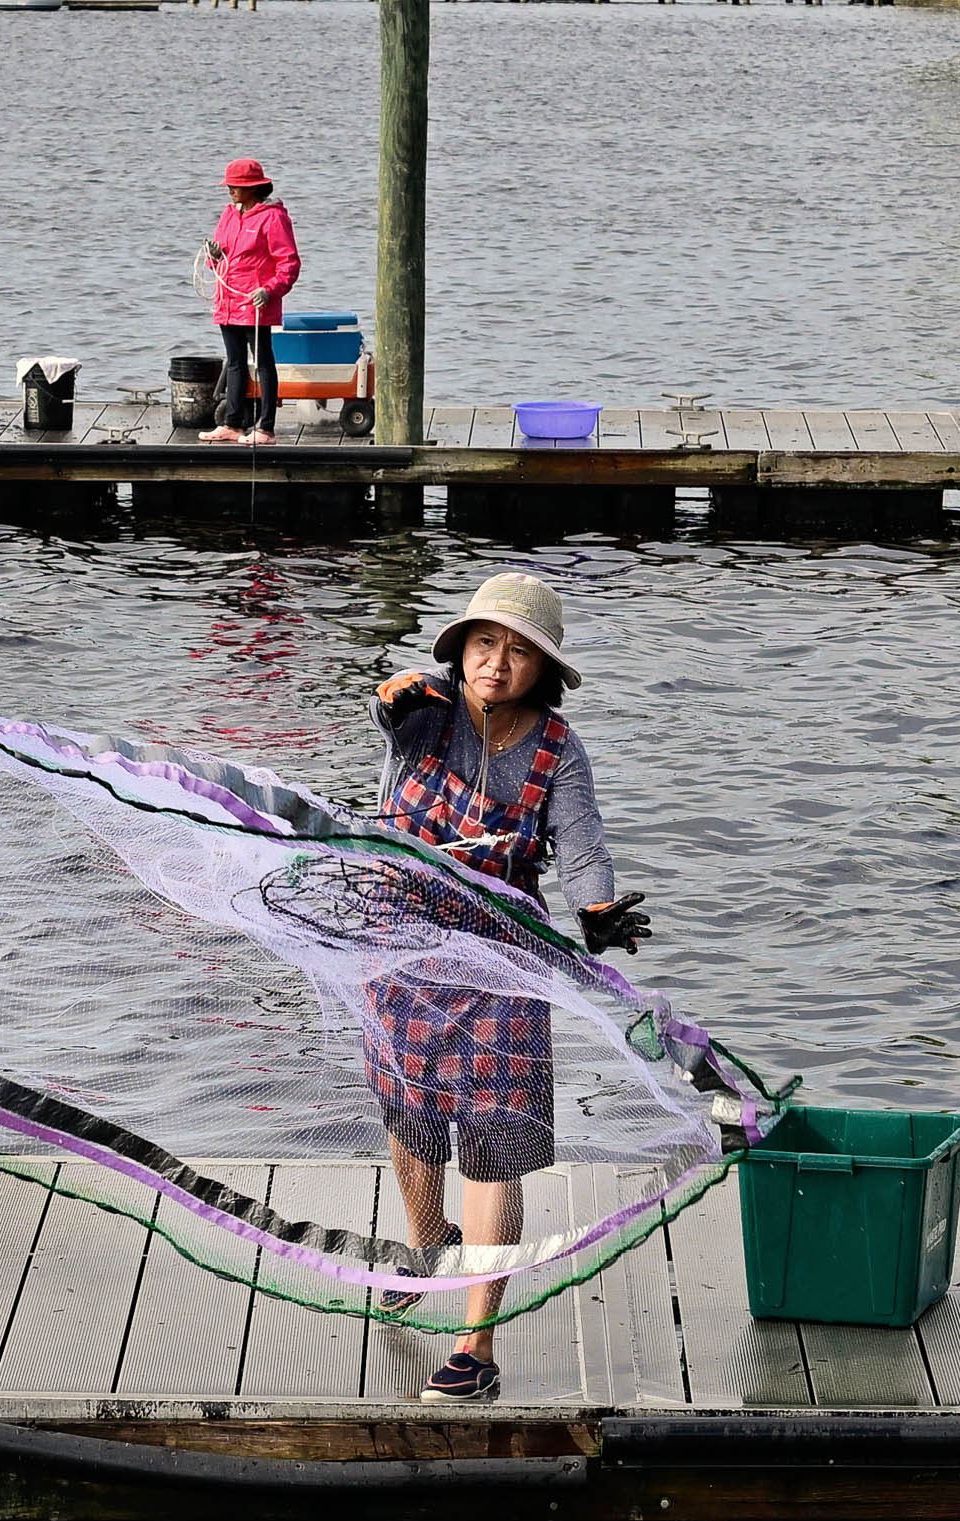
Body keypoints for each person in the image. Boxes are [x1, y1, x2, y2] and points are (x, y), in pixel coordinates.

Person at [363, 573, 650, 1403]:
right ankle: (428, 1246)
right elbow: (385, 709)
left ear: (542, 668)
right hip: (399, 942)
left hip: (500, 964)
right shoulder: (424, 715)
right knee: (408, 1115)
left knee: (492, 1145)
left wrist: (596, 908)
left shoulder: (558, 751)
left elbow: (583, 848)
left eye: (517, 651)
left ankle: (477, 1344)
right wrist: (394, 691)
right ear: (461, 650)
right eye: (484, 644)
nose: (496, 664)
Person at [198, 158, 300, 447]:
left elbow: (289, 263)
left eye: (236, 186)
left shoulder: (272, 217)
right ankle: (232, 423)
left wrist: (270, 290)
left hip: (256, 304)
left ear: (253, 188)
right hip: (227, 300)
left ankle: (266, 428)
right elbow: (217, 258)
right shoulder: (229, 214)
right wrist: (214, 255)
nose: (230, 190)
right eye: (230, 185)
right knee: (234, 363)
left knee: (264, 362)